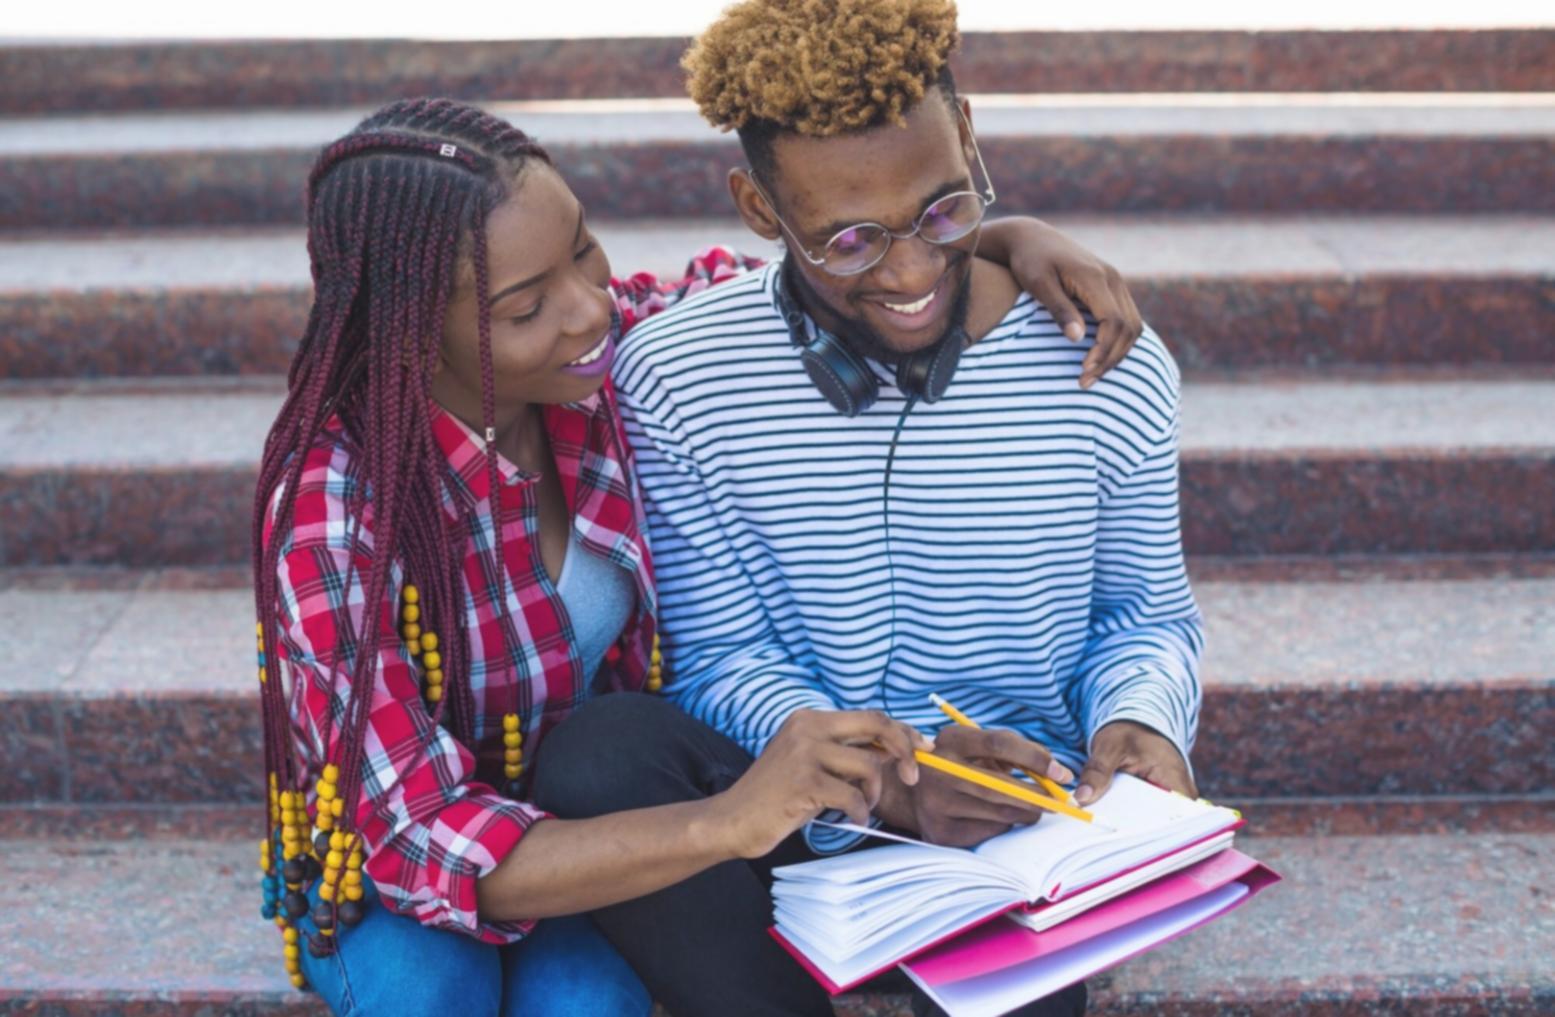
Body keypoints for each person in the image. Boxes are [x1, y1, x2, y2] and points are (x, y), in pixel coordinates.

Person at [251, 94, 1149, 1016]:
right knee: (430, 991)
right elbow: (419, 835)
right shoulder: (335, 507)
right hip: (431, 861)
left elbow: (842, 258)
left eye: (583, 250)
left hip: (610, 822)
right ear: (406, 336)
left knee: (583, 1007)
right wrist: (727, 819)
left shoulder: (618, 356)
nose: (588, 307)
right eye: (524, 307)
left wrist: (1010, 238)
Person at [594, 1, 1208, 1013]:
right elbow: (716, 659)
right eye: (847, 241)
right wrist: (884, 780)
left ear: (967, 138)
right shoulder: (677, 376)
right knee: (604, 753)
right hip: (787, 797)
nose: (912, 271)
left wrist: (1140, 719)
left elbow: (1141, 615)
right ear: (757, 210)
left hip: (1013, 805)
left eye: (942, 212)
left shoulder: (1105, 357)